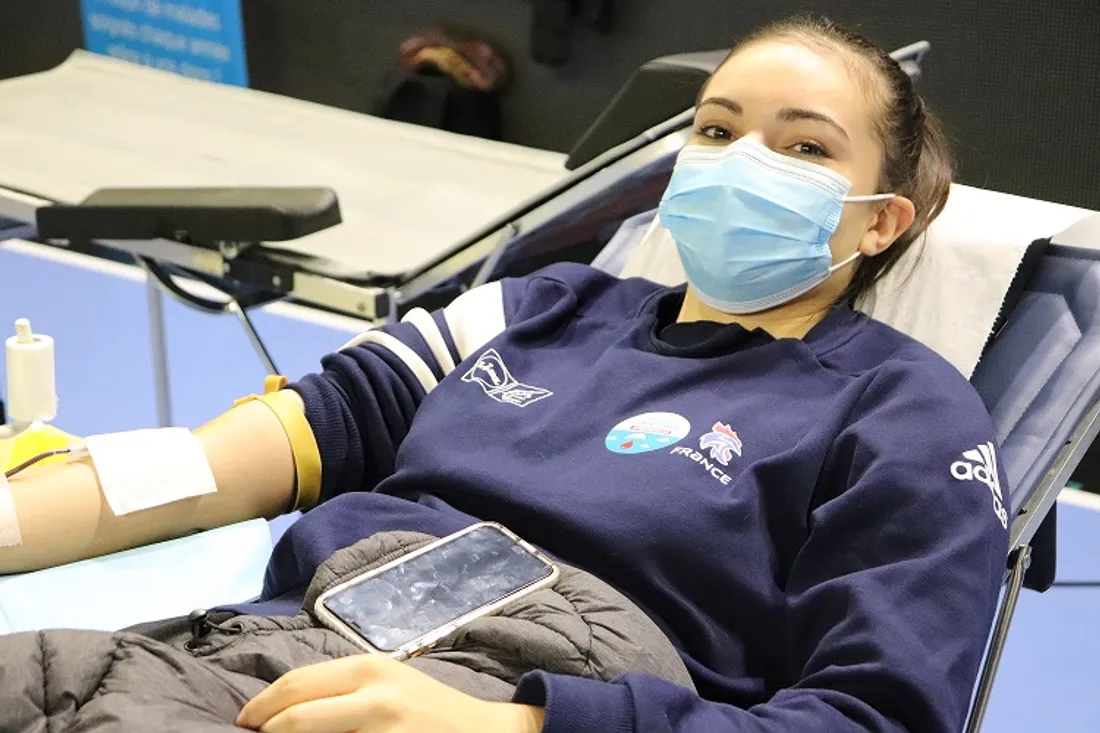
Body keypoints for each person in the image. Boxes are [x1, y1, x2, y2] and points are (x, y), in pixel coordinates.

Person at [1, 15, 1007, 733]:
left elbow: (872, 716)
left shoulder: (904, 413)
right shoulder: (541, 309)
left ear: (881, 219)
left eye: (802, 147)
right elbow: (225, 459)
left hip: (539, 681)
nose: (742, 160)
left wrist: (520, 726)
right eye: (715, 128)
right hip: (268, 656)